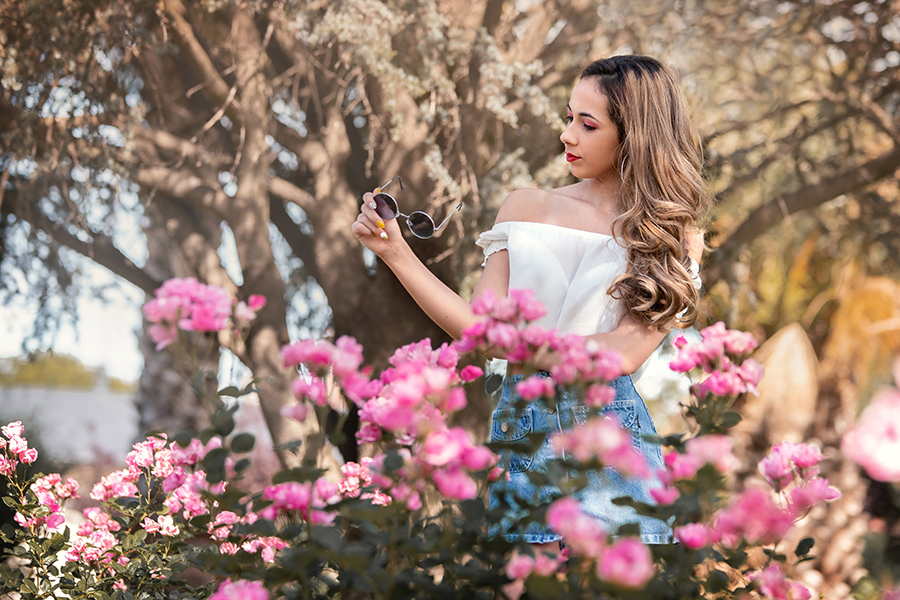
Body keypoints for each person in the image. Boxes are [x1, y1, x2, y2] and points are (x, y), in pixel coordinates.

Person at [351, 55, 708, 547]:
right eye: (568, 118)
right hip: (522, 425)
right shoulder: (526, 208)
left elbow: (623, 354)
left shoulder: (671, 235)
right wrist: (396, 253)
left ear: (635, 135)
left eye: (587, 124)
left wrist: (514, 343)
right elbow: (479, 329)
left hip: (609, 431)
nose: (567, 135)